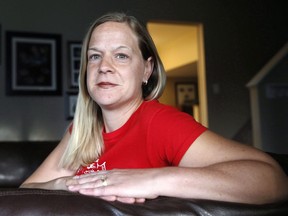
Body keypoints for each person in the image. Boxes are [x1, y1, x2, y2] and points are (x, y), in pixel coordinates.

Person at [20, 12, 288, 204]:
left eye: (121, 55)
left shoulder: (159, 122)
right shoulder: (81, 130)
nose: (104, 66)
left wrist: (153, 179)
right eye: (94, 56)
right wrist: (64, 184)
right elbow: (25, 192)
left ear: (146, 70)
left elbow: (272, 179)